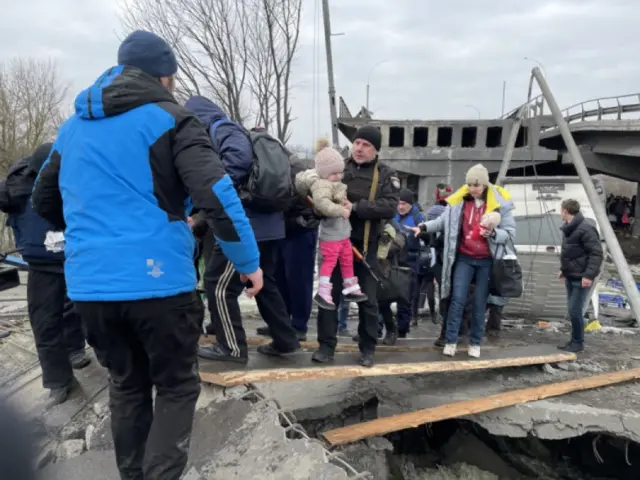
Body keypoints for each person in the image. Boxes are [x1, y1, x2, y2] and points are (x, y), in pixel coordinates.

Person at [32, 30, 262, 479]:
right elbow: (217, 196)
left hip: (91, 287)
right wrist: (249, 263)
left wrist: (92, 233)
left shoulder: (72, 128)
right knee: (176, 387)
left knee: (126, 385)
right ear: (166, 76)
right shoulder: (172, 118)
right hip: (159, 285)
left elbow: (44, 199)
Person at [184, 95, 301, 361]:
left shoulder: (220, 128)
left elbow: (238, 160)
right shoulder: (227, 128)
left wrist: (209, 184)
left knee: (218, 285)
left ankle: (231, 348)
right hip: (267, 224)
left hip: (246, 225)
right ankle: (286, 341)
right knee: (264, 283)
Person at [4, 144, 90, 407]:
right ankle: (58, 381)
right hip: (41, 264)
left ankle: (77, 350)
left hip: (78, 258)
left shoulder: (79, 177)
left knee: (84, 311)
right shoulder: (16, 185)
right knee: (44, 324)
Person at [311, 125, 400, 367]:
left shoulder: (384, 173)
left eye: (366, 145)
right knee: (328, 298)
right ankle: (326, 347)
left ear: (375, 150)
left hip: (366, 247)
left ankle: (368, 348)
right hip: (336, 245)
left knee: (368, 301)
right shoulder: (339, 168)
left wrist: (357, 208)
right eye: (357, 143)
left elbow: (390, 206)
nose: (359, 149)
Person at [413, 164, 515, 358]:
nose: (471, 188)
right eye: (469, 184)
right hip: (464, 258)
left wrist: (493, 233)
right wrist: (424, 226)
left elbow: (509, 234)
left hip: (486, 261)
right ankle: (451, 340)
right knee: (457, 299)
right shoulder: (459, 202)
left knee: (479, 302)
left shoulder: (500, 205)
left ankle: (475, 342)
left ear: (484, 185)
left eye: (476, 184)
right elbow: (442, 222)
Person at [296, 138, 367, 310]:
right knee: (329, 262)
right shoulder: (321, 185)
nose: (338, 176)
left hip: (342, 234)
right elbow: (322, 205)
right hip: (331, 235)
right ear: (324, 173)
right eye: (334, 173)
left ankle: (350, 285)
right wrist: (340, 210)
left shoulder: (333, 183)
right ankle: (323, 291)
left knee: (347, 259)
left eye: (339, 173)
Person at [273, 156, 319, 341]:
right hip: (281, 230)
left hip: (300, 230)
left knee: (299, 281)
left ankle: (299, 325)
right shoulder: (276, 166)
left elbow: (301, 200)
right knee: (279, 280)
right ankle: (282, 323)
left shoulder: (296, 169)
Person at [558, 199, 603, 353]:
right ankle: (574, 340)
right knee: (573, 310)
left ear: (565, 211)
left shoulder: (586, 229)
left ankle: (578, 342)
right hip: (571, 276)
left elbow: (596, 254)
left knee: (574, 310)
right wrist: (564, 270)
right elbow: (570, 254)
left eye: (561, 210)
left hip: (582, 277)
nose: (560, 213)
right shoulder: (568, 228)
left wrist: (588, 276)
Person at [392, 188, 424, 337]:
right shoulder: (393, 216)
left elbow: (428, 239)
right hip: (393, 260)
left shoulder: (418, 217)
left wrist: (421, 232)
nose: (401, 206)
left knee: (405, 298)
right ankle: (379, 328)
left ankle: (402, 330)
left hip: (411, 261)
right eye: (398, 203)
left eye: (404, 203)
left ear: (410, 204)